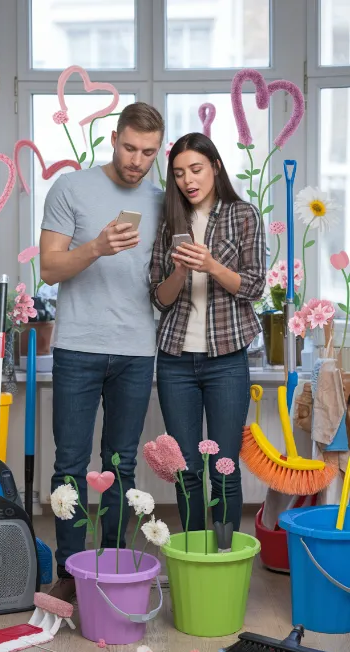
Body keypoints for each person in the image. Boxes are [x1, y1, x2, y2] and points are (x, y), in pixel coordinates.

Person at [40, 102, 164, 602]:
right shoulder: (71, 188)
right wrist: (95, 247)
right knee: (69, 463)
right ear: (114, 139)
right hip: (77, 347)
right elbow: (49, 269)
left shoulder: (162, 199)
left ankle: (112, 568)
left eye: (149, 152)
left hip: (136, 350)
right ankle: (70, 576)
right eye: (130, 148)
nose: (137, 160)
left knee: (121, 463)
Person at [150, 132, 266, 534]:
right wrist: (180, 271)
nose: (188, 180)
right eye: (179, 173)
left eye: (196, 169)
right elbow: (159, 299)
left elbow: (253, 287)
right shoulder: (169, 223)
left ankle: (224, 557)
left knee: (224, 469)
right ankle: (194, 557)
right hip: (175, 363)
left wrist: (212, 265)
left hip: (227, 361)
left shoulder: (244, 215)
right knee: (185, 471)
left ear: (215, 166)